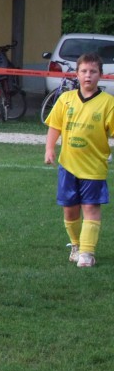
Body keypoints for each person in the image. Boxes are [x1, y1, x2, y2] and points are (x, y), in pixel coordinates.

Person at [44, 52, 114, 268]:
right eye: (84, 71)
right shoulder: (66, 99)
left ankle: (87, 252)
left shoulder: (108, 103)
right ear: (77, 74)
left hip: (93, 167)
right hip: (68, 166)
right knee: (70, 209)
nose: (88, 76)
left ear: (100, 75)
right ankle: (76, 246)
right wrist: (49, 149)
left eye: (93, 72)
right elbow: (55, 125)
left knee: (91, 207)